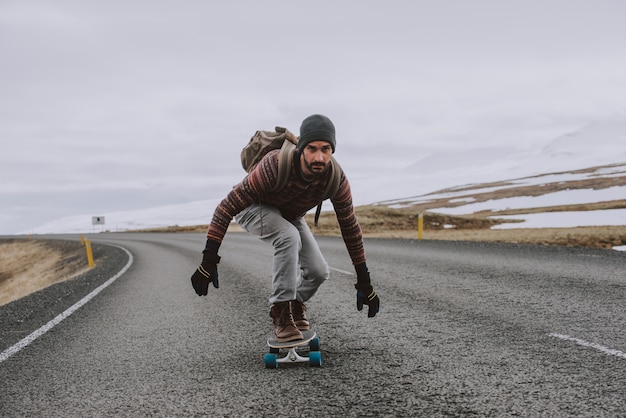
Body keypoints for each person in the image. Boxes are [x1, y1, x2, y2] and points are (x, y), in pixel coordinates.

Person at [190, 114, 380, 342]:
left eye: (326, 149)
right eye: (311, 148)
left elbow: (350, 228)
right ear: (301, 148)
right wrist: (208, 260)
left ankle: (295, 303)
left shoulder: (335, 179)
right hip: (253, 207)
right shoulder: (275, 164)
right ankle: (281, 312)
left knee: (319, 271)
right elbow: (226, 207)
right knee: (287, 236)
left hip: (289, 213)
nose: (319, 156)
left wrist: (364, 280)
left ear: (332, 150)